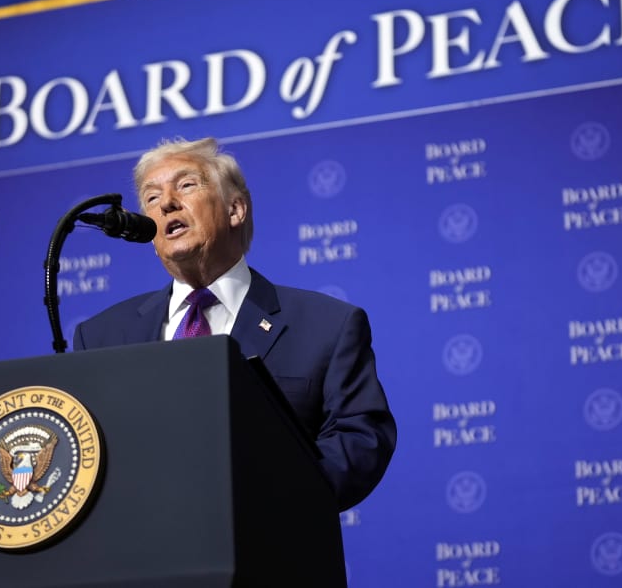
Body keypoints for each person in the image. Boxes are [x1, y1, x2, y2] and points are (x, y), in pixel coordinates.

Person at [73, 137, 396, 511]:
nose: (166, 203)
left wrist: (265, 495)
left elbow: (360, 438)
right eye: (151, 198)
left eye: (186, 185)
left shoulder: (327, 325)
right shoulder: (101, 338)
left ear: (235, 209)